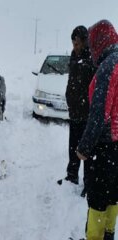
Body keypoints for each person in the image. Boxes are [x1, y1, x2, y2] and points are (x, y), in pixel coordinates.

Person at [76, 20, 118, 240]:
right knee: (113, 196)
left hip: (104, 147)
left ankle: (94, 237)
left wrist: (84, 147)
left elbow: (100, 113)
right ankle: (109, 235)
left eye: (92, 46)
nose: (91, 51)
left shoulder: (108, 66)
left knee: (98, 199)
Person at [62, 26, 96, 197]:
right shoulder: (74, 56)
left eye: (77, 43)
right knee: (73, 148)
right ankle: (72, 175)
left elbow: (93, 87)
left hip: (87, 114)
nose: (75, 47)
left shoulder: (92, 59)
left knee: (87, 151)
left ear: (84, 41)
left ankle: (88, 184)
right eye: (73, 43)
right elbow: (71, 80)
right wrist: (69, 98)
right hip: (74, 111)